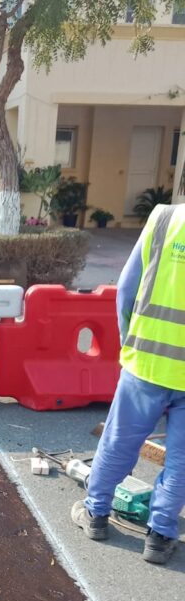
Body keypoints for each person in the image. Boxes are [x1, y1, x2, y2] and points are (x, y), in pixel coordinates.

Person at [71, 203, 185, 565]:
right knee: (182, 460)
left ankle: (96, 513)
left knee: (119, 442)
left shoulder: (164, 219)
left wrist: (129, 342)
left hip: (146, 362)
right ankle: (160, 536)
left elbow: (126, 289)